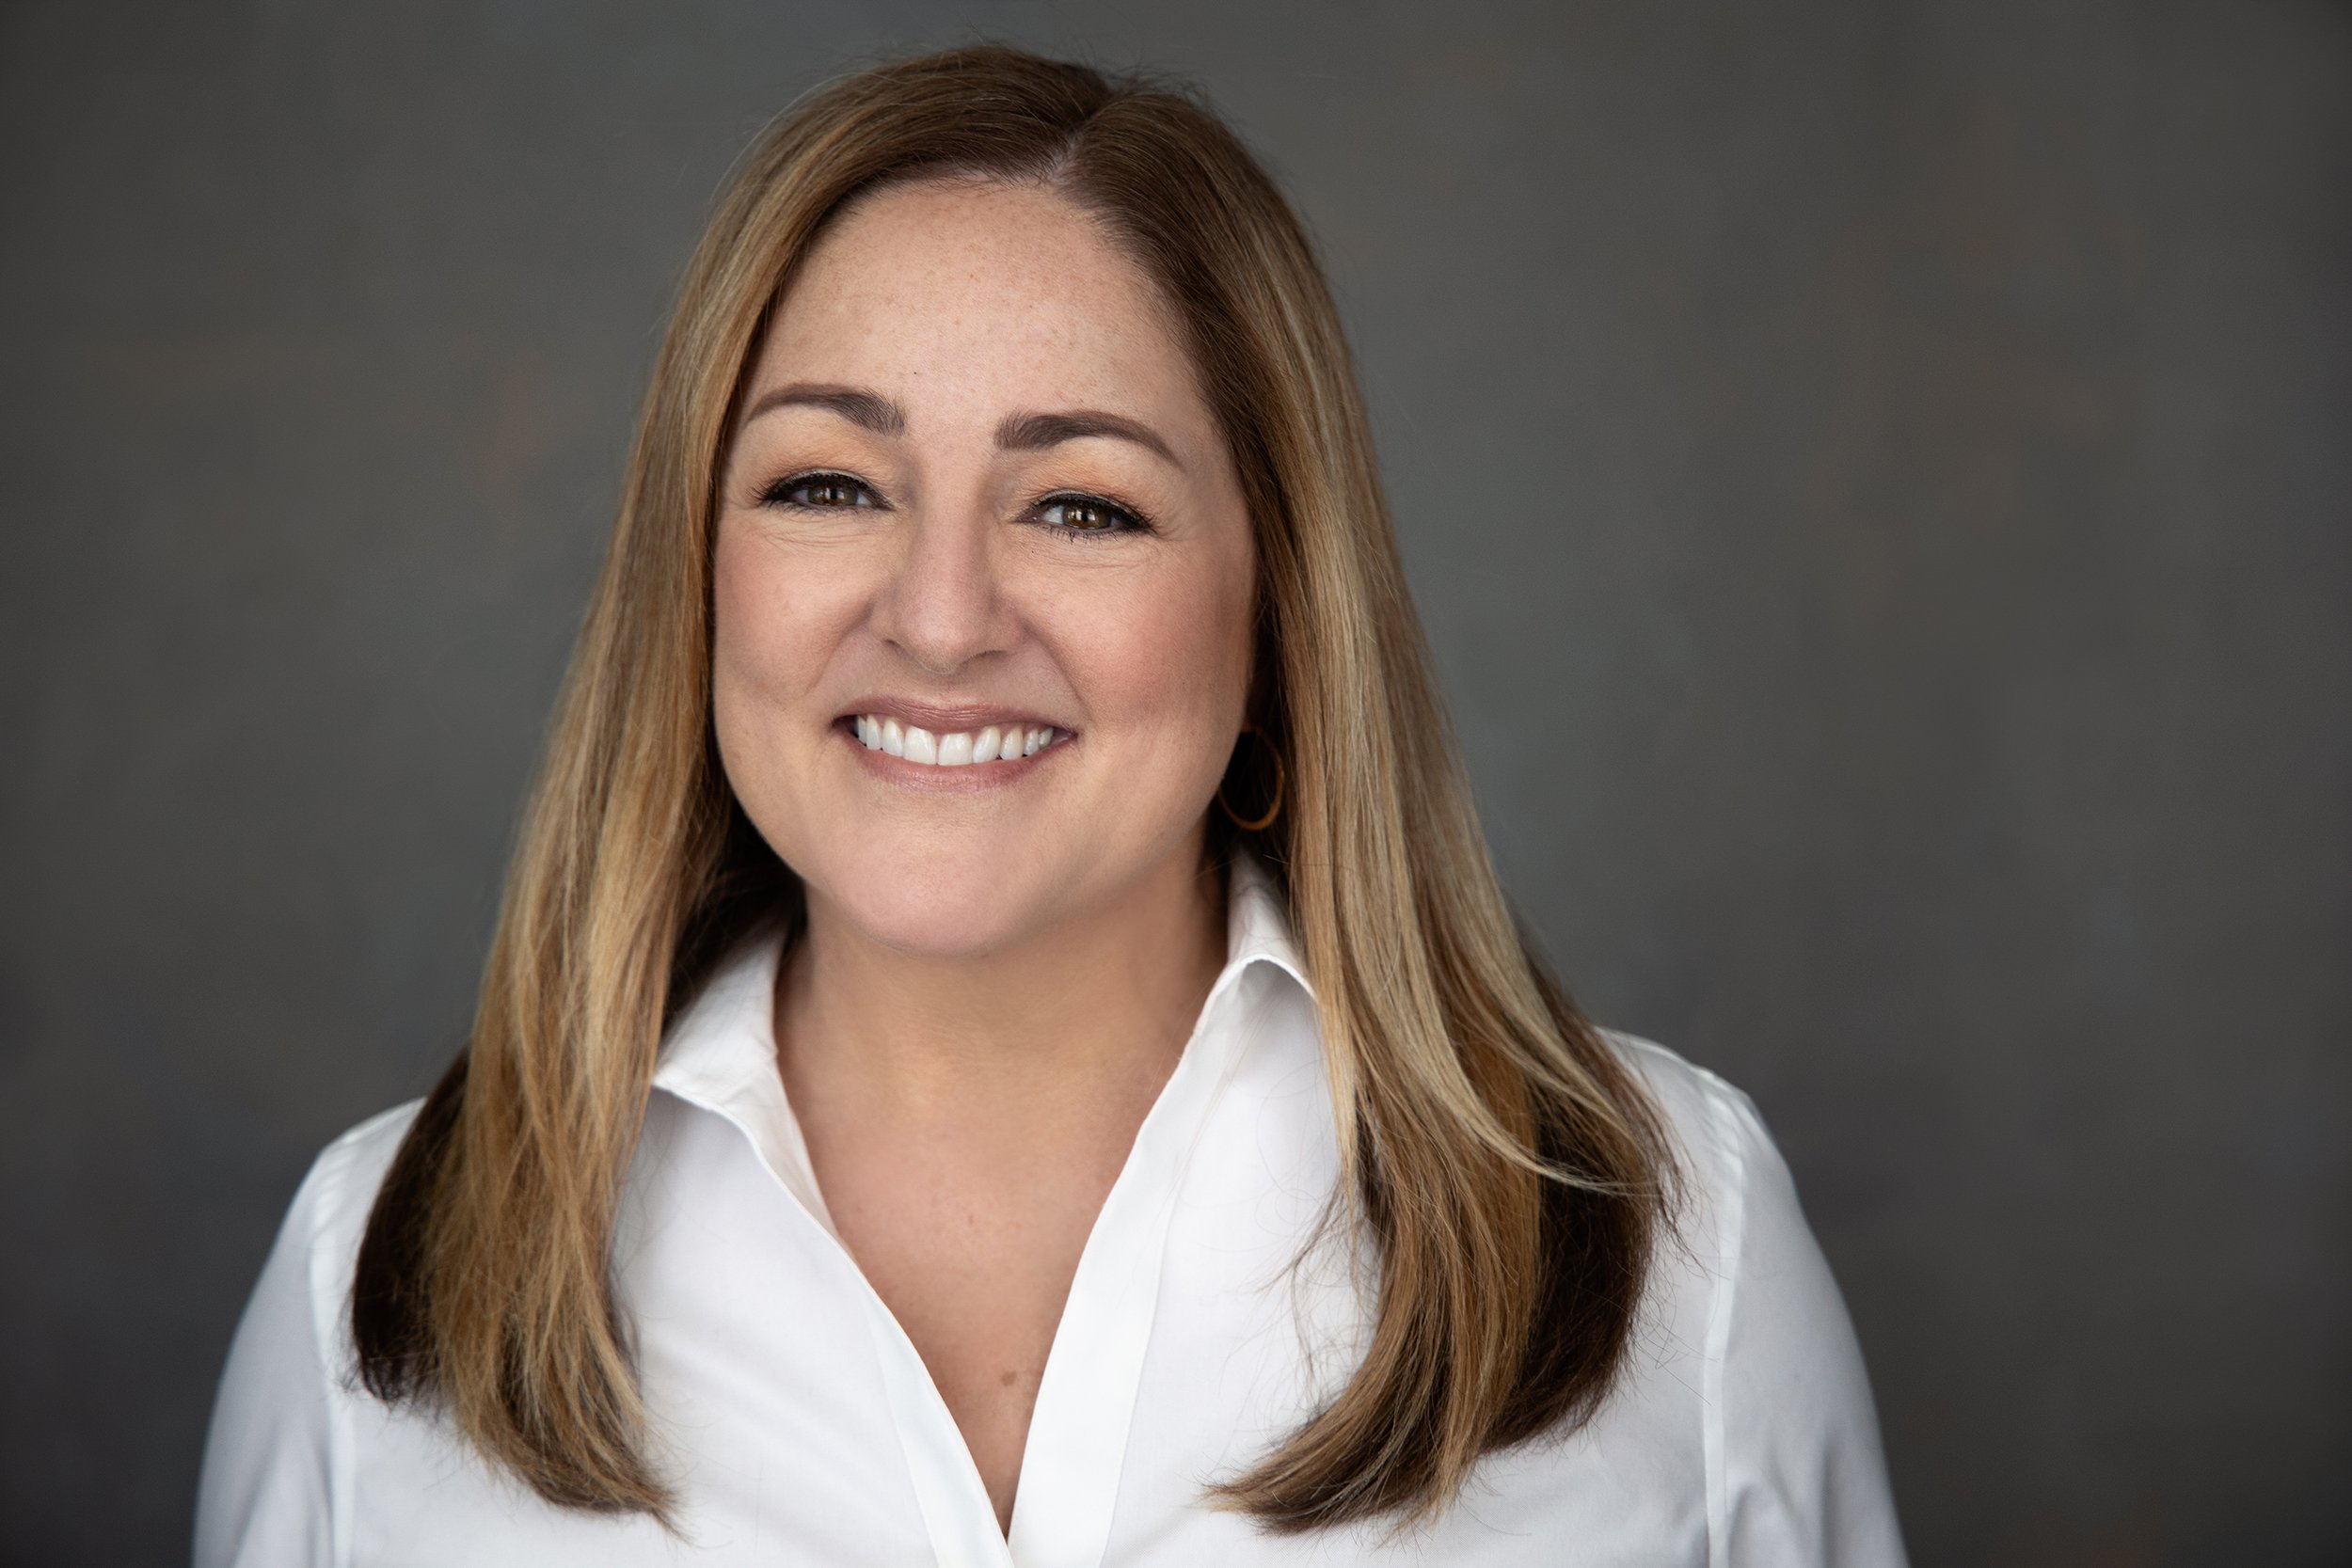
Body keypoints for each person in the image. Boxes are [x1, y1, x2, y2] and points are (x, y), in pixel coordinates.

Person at [194, 45, 1906, 1567]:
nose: (940, 618)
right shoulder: (380, 1266)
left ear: (1280, 603)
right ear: (697, 578)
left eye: (1082, 507)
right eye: (827, 482)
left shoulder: (1667, 1236)